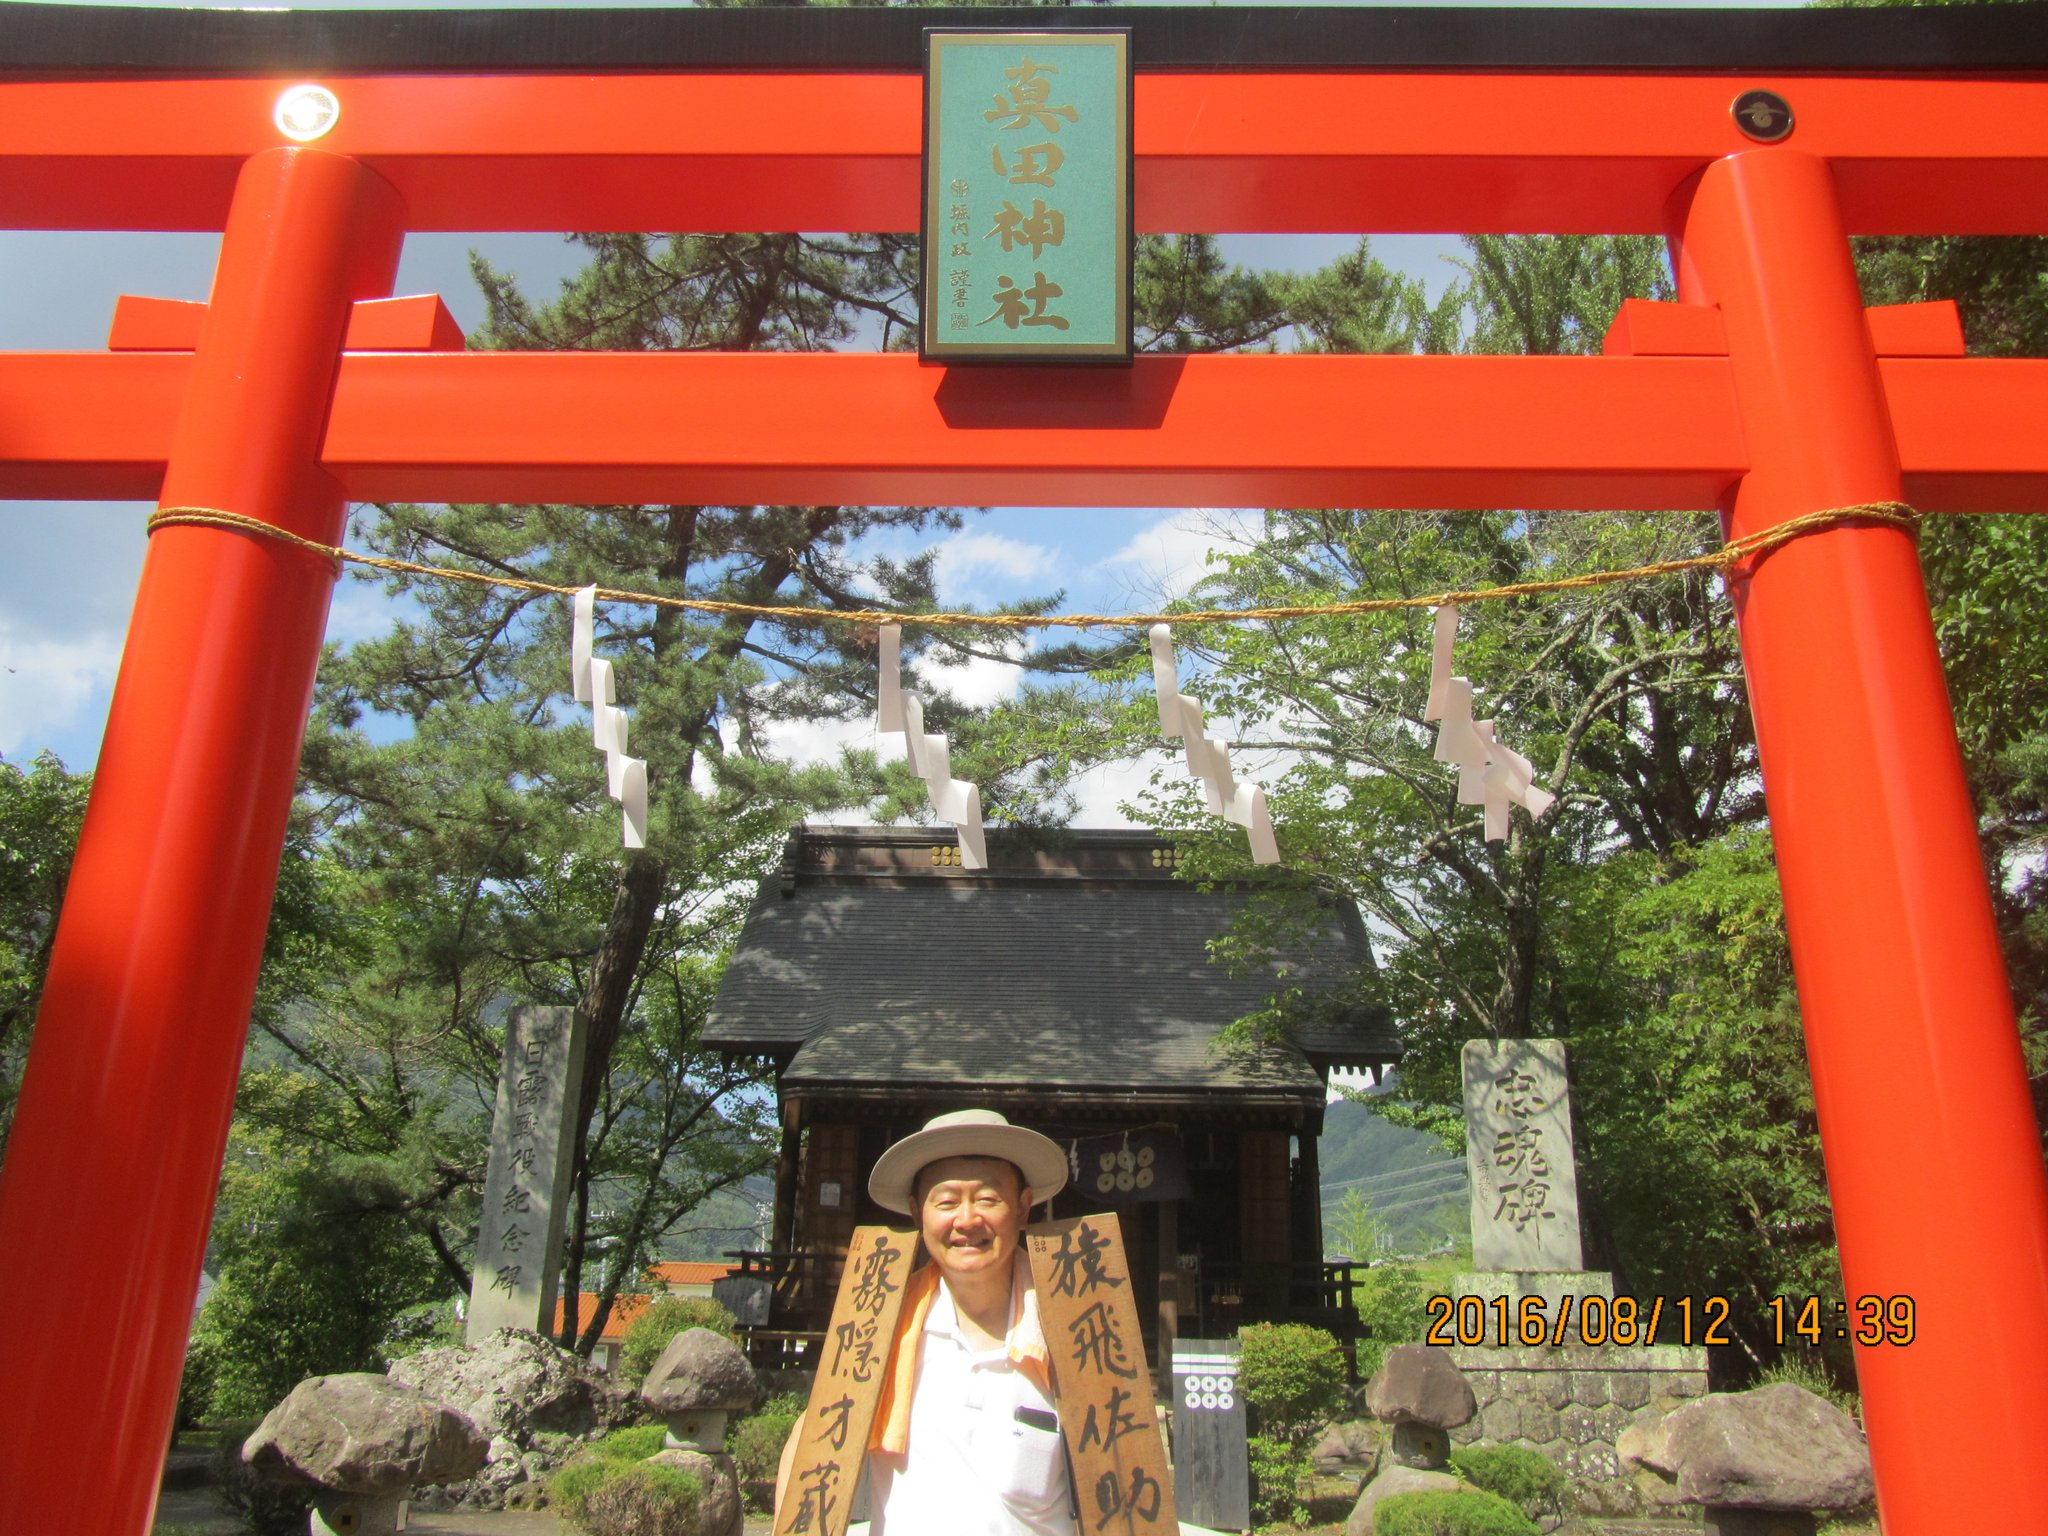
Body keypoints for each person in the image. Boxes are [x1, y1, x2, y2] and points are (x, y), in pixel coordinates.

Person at [777, 1108, 1077, 1536]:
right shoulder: (877, 1323)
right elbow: (813, 1449)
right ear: (918, 1213)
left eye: (989, 1198)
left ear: (1024, 1207)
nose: (968, 1220)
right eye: (947, 1201)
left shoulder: (1071, 1320)